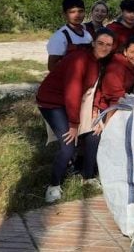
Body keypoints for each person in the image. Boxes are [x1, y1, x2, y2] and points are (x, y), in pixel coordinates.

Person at [37, 28, 115, 203]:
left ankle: (87, 177)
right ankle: (54, 185)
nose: (104, 47)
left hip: (79, 101)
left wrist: (95, 109)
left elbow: (95, 89)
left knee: (94, 134)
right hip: (53, 102)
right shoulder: (80, 59)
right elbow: (72, 92)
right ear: (93, 43)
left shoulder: (99, 61)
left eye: (108, 45)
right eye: (100, 43)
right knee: (68, 145)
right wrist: (74, 124)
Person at [95, 36, 134, 113]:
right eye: (133, 52)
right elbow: (115, 97)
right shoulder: (116, 67)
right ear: (125, 52)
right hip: (107, 108)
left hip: (122, 103)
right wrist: (110, 121)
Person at [47, 0, 93, 72]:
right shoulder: (60, 37)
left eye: (80, 11)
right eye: (72, 12)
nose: (77, 15)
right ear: (64, 14)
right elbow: (52, 66)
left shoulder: (87, 35)